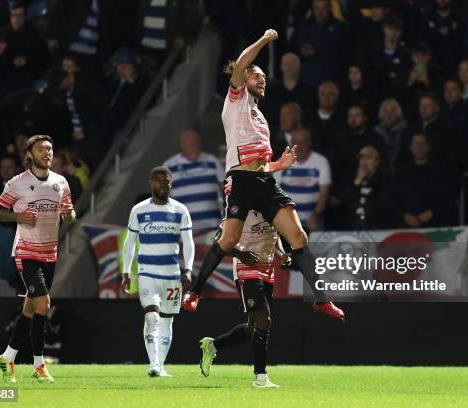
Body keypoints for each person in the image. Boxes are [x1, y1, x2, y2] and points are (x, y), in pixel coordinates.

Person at [182, 29, 344, 319]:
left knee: (298, 236)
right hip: (241, 180)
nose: (262, 80)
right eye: (257, 76)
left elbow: (262, 164)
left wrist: (278, 166)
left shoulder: (260, 115)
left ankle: (320, 298)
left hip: (264, 181)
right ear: (244, 78)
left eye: (264, 78)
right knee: (229, 240)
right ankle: (194, 291)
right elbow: (243, 62)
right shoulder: (235, 100)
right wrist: (266, 40)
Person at [0, 134, 75, 383]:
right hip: (26, 252)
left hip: (50, 253)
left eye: (50, 148)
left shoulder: (61, 182)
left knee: (29, 310)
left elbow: (69, 214)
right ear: (29, 155)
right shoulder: (17, 183)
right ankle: (39, 365)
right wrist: (18, 217)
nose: (47, 153)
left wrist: (69, 214)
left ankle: (7, 357)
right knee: (44, 306)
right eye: (41, 149)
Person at [199, 210, 289, 388]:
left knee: (253, 326)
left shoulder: (271, 205)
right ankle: (260, 377)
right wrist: (242, 254)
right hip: (245, 267)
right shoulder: (240, 208)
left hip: (266, 269)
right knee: (264, 320)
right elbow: (219, 240)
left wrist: (282, 254)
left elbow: (275, 234)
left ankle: (212, 346)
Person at [120, 166, 195, 377]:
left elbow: (188, 243)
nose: (163, 184)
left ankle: (160, 366)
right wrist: (126, 272)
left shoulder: (180, 210)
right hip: (147, 273)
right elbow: (129, 242)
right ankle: (153, 364)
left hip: (172, 274)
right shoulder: (139, 210)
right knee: (151, 316)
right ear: (151, 182)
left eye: (167, 181)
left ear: (171, 184)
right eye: (159, 181)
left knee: (167, 320)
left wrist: (188, 269)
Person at [163, 130, 225, 233]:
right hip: (184, 228)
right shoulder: (169, 166)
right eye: (191, 144)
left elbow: (226, 187)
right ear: (182, 146)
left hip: (212, 226)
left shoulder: (212, 161)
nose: (195, 147)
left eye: (197, 143)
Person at [274, 128, 331, 231]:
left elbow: (324, 193)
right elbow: (274, 193)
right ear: (291, 144)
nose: (299, 146)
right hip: (287, 218)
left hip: (313, 219)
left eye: (302, 142)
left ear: (309, 143)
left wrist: (316, 215)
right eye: (295, 142)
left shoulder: (321, 161)